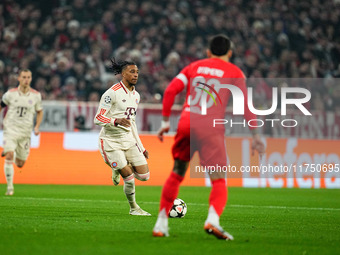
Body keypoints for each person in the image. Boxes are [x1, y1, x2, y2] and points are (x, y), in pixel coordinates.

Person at [152, 35, 265, 239]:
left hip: (186, 123)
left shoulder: (194, 67)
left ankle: (160, 224)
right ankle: (213, 220)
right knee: (219, 178)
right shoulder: (235, 72)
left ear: (208, 52)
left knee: (177, 172)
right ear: (229, 53)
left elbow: (170, 90)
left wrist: (165, 122)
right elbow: (245, 106)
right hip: (210, 128)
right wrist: (256, 134)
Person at [94, 59, 151, 216]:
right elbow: (98, 118)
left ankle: (117, 167)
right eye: (132, 72)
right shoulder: (111, 93)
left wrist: (141, 147)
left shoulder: (136, 96)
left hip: (128, 140)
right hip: (111, 142)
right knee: (129, 176)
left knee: (145, 176)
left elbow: (132, 123)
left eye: (137, 72)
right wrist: (115, 120)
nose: (135, 75)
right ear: (123, 74)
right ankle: (134, 208)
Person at [1, 69, 43, 196]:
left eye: (28, 77)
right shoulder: (10, 94)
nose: (26, 80)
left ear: (31, 79)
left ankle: (10, 152)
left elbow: (39, 111)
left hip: (25, 133)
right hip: (10, 130)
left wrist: (36, 127)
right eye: (24, 77)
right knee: (9, 156)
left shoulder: (36, 95)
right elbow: (1, 105)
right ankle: (9, 188)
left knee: (20, 164)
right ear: (19, 78)